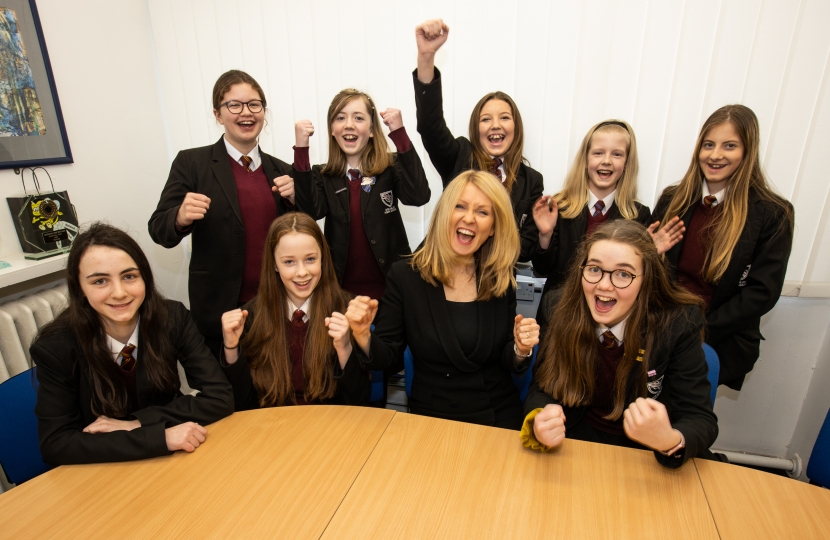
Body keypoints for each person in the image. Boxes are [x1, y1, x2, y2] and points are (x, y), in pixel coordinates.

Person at [346, 171, 539, 429]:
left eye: (482, 212)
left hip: (497, 413)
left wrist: (520, 349)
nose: (468, 218)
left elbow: (506, 359)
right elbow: (388, 359)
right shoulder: (406, 277)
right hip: (432, 416)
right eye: (460, 206)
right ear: (444, 214)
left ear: (493, 228)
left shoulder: (500, 277)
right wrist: (362, 335)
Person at [31, 223, 234, 465]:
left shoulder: (173, 317)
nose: (119, 293)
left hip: (173, 461)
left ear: (144, 278)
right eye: (99, 281)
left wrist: (137, 423)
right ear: (80, 288)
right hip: (105, 467)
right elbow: (56, 444)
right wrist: (159, 437)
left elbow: (220, 397)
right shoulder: (56, 346)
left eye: (129, 277)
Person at [522, 220, 717, 468]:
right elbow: (543, 387)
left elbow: (700, 419)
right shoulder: (558, 307)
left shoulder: (678, 321)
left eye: (623, 274)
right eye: (594, 269)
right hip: (574, 446)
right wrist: (540, 419)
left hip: (644, 457)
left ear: (647, 280)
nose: (604, 285)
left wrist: (669, 440)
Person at [149, 69, 295, 358]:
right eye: (234, 105)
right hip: (221, 311)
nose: (246, 113)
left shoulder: (282, 171)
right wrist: (180, 215)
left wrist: (295, 200)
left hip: (276, 307)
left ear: (264, 112)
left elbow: (298, 236)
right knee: (230, 397)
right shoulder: (192, 163)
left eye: (254, 104)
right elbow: (159, 229)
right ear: (218, 114)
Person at [654, 104, 794, 390]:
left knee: (686, 420)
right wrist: (647, 251)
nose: (715, 155)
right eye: (709, 145)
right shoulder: (673, 199)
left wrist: (699, 331)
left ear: (747, 151)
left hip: (717, 340)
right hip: (658, 331)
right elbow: (642, 271)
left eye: (729, 145)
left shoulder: (772, 213)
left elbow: (761, 293)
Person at [413, 19, 544, 262]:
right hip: (442, 270)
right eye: (486, 119)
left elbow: (525, 249)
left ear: (516, 128)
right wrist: (426, 58)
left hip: (493, 283)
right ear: (476, 128)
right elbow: (431, 127)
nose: (495, 125)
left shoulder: (532, 181)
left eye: (504, 117)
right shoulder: (460, 156)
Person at [532, 119, 684, 320]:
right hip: (559, 314)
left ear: (626, 163)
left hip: (611, 318)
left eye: (617, 154)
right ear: (585, 160)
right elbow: (542, 270)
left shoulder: (639, 215)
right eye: (598, 153)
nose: (606, 161)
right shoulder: (559, 207)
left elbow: (640, 283)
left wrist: (650, 255)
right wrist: (545, 235)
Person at [220, 213, 370, 410]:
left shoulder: (348, 311)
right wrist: (231, 347)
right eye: (289, 262)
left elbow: (360, 402)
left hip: (331, 427)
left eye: (310, 259)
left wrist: (345, 348)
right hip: (271, 428)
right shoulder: (250, 317)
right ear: (274, 264)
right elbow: (241, 404)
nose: (301, 272)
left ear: (323, 258)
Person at [292, 89, 430, 300]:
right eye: (340, 118)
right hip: (341, 293)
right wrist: (301, 148)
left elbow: (419, 196)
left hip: (392, 290)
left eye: (358, 118)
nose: (349, 125)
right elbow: (309, 212)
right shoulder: (323, 175)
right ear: (332, 129)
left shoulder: (390, 167)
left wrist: (399, 132)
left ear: (372, 130)